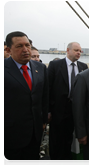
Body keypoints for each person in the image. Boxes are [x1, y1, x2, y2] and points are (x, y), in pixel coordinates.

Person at [4, 31, 49, 164]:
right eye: (19, 46)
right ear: (8, 49)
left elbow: (44, 97)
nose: (25, 50)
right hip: (9, 135)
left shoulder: (40, 68)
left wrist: (43, 121)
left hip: (34, 134)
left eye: (27, 45)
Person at [48, 42, 88, 164]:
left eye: (80, 51)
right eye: (76, 50)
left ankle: (67, 160)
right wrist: (48, 110)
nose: (79, 53)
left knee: (69, 137)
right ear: (68, 50)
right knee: (56, 139)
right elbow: (48, 88)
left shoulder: (83, 66)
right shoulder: (55, 65)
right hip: (58, 109)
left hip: (75, 109)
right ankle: (55, 161)